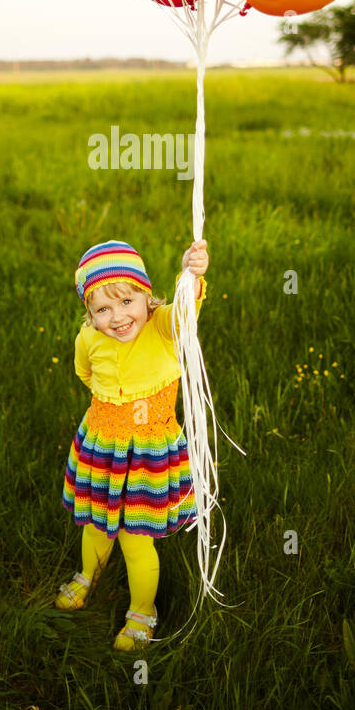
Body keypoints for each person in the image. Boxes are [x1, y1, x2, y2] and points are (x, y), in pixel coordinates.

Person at [57, 237, 209, 650]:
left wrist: (190, 277)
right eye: (102, 309)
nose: (118, 317)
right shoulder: (88, 339)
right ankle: (89, 573)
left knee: (134, 535)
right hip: (102, 447)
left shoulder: (161, 326)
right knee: (95, 523)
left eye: (127, 302)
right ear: (88, 313)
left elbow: (185, 312)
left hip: (146, 455)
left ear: (146, 297)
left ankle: (143, 610)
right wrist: (113, 414)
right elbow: (86, 373)